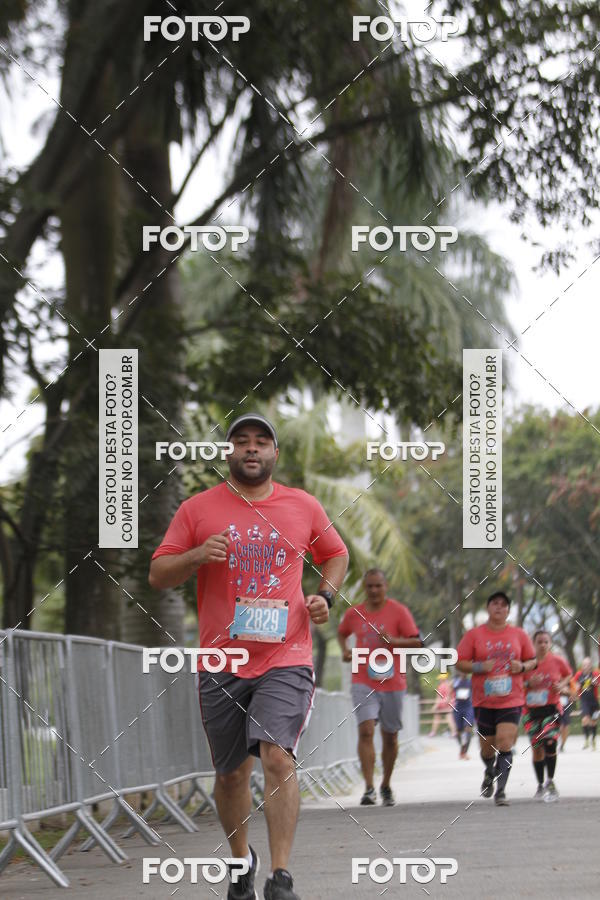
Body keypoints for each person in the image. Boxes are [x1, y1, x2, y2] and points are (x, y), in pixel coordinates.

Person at [149, 413, 349, 900]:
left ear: (275, 454)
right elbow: (158, 573)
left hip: (287, 655)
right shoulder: (199, 509)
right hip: (222, 661)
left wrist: (325, 594)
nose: (251, 449)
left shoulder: (302, 505)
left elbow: (336, 554)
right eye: (241, 443)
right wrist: (197, 555)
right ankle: (241, 861)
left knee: (278, 758)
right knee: (231, 772)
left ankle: (280, 878)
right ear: (229, 453)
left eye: (261, 442)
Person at [338, 568, 421, 807]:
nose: (374, 590)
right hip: (363, 679)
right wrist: (345, 650)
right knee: (365, 731)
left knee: (390, 736)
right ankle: (369, 787)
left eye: (378, 586)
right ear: (365, 588)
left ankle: (385, 784)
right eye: (370, 586)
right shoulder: (354, 613)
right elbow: (341, 632)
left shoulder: (399, 612)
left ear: (386, 587)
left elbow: (417, 642)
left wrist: (394, 641)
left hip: (393, 682)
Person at [456, 591, 536, 806]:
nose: (499, 607)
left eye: (503, 604)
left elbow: (532, 661)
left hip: (512, 698)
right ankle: (489, 771)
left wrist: (523, 666)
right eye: (494, 604)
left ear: (508, 610)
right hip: (484, 700)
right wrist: (480, 666)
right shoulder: (474, 635)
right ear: (488, 608)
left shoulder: (519, 635)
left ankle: (501, 791)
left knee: (505, 742)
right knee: (486, 748)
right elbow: (459, 662)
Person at [522, 630, 572, 801]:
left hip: (551, 709)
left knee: (550, 743)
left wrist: (562, 686)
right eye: (539, 642)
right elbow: (515, 684)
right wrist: (529, 683)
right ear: (533, 644)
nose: (543, 645)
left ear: (550, 643)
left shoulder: (557, 661)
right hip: (531, 711)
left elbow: (568, 675)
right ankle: (540, 784)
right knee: (537, 750)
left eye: (546, 642)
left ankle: (550, 781)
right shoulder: (526, 663)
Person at [573, 657, 600, 749]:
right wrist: (577, 687)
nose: (586, 666)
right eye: (584, 664)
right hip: (584, 700)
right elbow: (575, 686)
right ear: (582, 666)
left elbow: (598, 684)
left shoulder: (595, 673)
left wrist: (595, 682)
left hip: (594, 700)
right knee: (585, 719)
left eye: (588, 664)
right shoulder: (579, 674)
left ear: (591, 665)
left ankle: (593, 739)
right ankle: (586, 739)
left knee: (593, 721)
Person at [451, 673, 475, 759]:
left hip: (468, 707)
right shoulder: (455, 682)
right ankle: (462, 748)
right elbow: (450, 693)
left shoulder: (471, 681)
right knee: (458, 731)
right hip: (458, 708)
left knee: (467, 728)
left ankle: (464, 752)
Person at [428, 674, 457, 738]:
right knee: (449, 719)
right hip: (450, 704)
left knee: (437, 719)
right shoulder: (451, 685)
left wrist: (435, 706)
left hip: (442, 705)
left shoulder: (441, 686)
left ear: (443, 679)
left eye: (440, 679)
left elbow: (438, 697)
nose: (439, 680)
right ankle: (454, 733)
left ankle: (433, 732)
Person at [559, 677, 576, 752]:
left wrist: (568, 691)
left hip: (566, 705)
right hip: (555, 705)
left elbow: (574, 695)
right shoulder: (554, 677)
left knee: (565, 726)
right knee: (559, 726)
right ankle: (553, 741)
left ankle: (562, 744)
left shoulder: (570, 680)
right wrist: (560, 690)